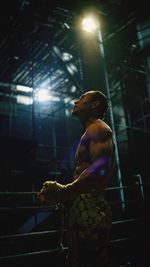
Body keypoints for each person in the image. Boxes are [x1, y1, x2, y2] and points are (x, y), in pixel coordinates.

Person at [37, 90, 115, 267]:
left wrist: (65, 191)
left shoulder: (98, 128)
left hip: (91, 202)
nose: (75, 102)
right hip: (83, 200)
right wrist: (63, 195)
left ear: (94, 105)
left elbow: (100, 167)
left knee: (91, 257)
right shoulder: (90, 131)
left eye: (82, 99)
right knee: (80, 257)